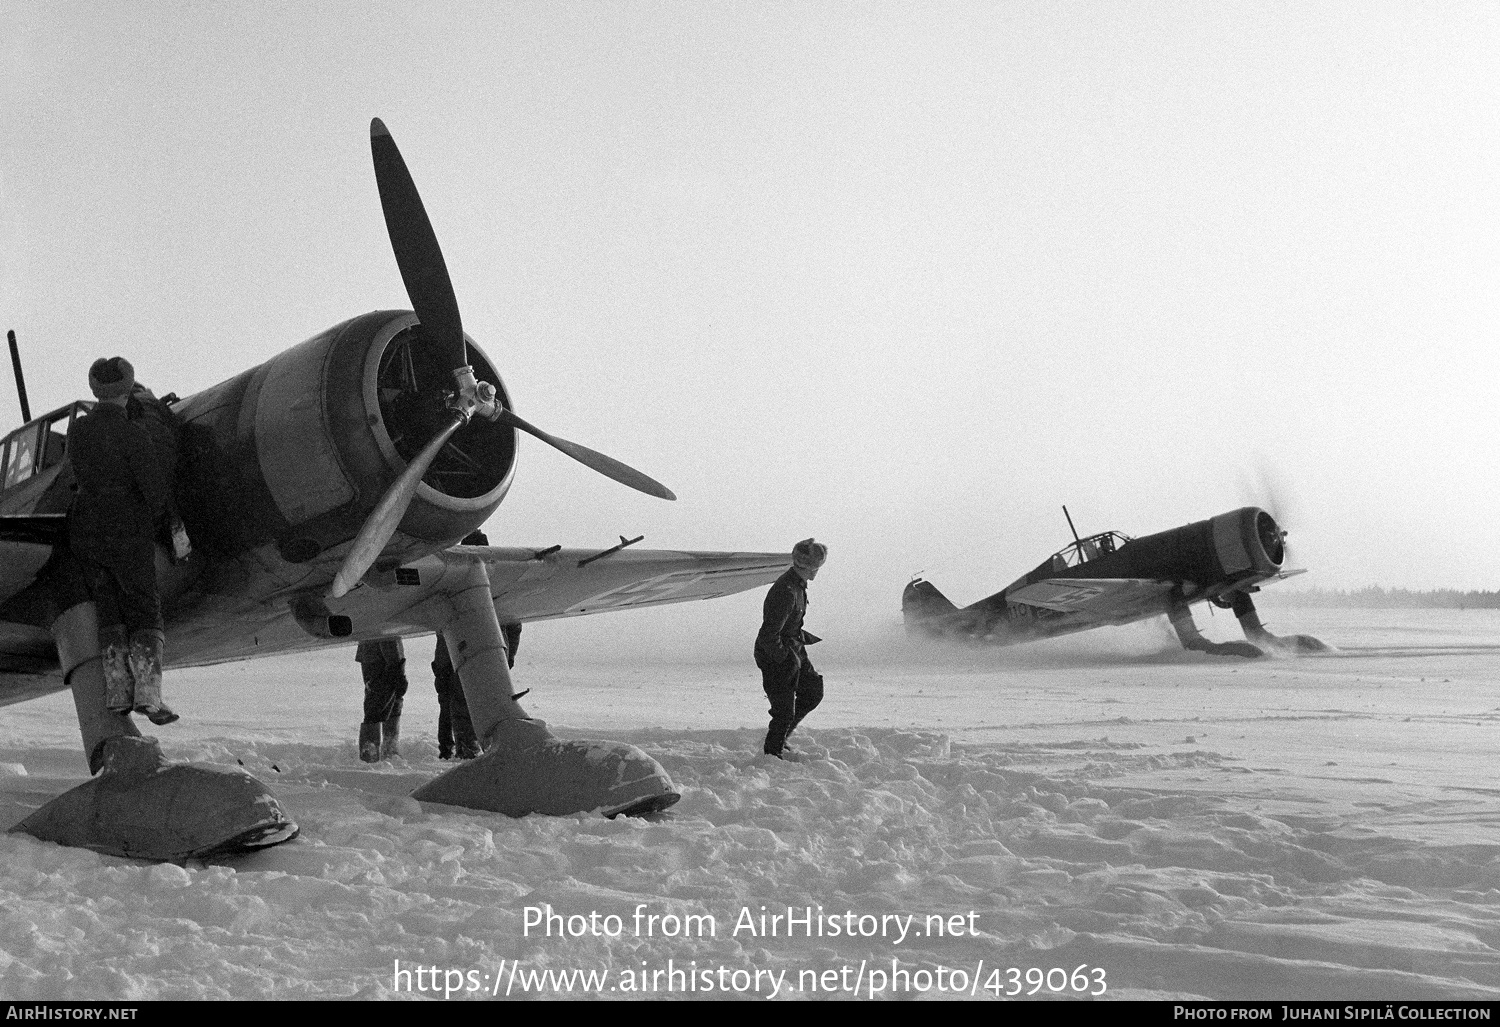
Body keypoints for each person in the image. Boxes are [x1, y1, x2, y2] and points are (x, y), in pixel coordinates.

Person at [67, 356, 178, 725]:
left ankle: (117, 694)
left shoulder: (79, 432)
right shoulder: (134, 434)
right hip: (127, 529)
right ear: (128, 390)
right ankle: (148, 695)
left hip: (87, 529)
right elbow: (155, 491)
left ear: (95, 390)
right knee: (144, 609)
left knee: (109, 611)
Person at [431, 528, 521, 760]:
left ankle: (463, 751)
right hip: (473, 656)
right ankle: (463, 751)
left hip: (466, 657)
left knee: (458, 706)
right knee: (461, 706)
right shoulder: (496, 585)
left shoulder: (456, 585)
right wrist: (506, 658)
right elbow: (514, 624)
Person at [754, 538, 827, 759]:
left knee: (813, 690)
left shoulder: (797, 585)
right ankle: (772, 754)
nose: (816, 572)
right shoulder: (785, 591)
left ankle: (782, 738)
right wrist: (783, 658)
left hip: (793, 648)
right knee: (784, 711)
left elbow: (790, 625)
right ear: (806, 566)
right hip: (775, 655)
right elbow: (769, 635)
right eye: (815, 567)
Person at [356, 638, 407, 762]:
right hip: (378, 655)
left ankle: (388, 750)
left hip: (388, 653)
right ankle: (370, 754)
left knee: (393, 701)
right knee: (377, 703)